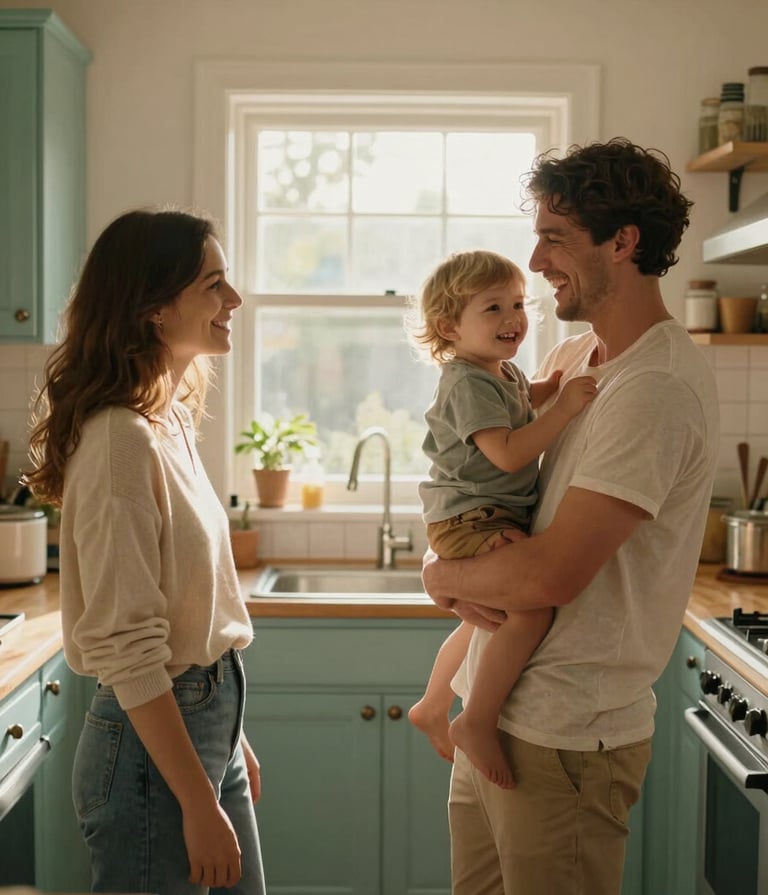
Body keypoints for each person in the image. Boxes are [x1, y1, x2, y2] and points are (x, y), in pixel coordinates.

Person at [421, 138, 719, 895]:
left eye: (556, 236)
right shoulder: (582, 356)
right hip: (499, 723)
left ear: (622, 242)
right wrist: (440, 569)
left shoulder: (654, 387)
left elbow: (551, 571)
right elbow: (493, 472)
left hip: (564, 737)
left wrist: (442, 571)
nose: (537, 257)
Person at [25, 209, 266, 895]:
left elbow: (194, 601)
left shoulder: (169, 420)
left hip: (204, 726)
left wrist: (233, 738)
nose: (234, 301)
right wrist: (196, 798)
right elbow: (128, 643)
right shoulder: (117, 442)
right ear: (156, 309)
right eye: (213, 284)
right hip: (149, 752)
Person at [406, 250, 597, 789]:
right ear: (449, 326)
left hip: (480, 513)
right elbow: (509, 453)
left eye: (517, 303)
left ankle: (433, 701)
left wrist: (541, 391)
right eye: (493, 308)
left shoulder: (499, 371)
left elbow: (516, 405)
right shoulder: (466, 381)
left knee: (483, 615)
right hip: (473, 517)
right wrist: (562, 410)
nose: (513, 318)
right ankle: (477, 720)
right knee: (529, 613)